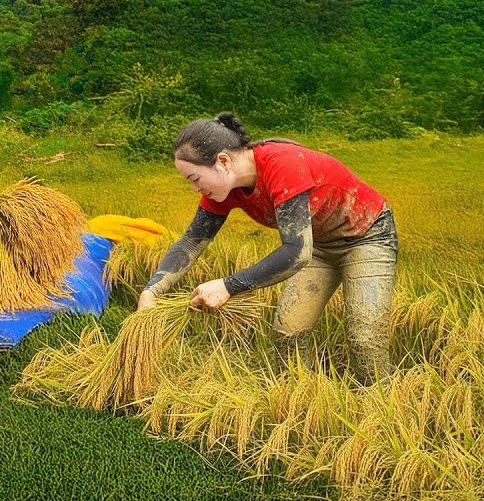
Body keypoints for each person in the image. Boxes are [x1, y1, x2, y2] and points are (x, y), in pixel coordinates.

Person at [138, 112, 398, 384]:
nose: (194, 188)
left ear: (223, 161)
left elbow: (296, 251)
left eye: (195, 178)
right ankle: (301, 400)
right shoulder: (227, 188)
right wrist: (153, 290)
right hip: (318, 245)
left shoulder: (281, 165)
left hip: (367, 236)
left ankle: (378, 411)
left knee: (365, 338)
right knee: (288, 331)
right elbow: (192, 241)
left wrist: (228, 286)